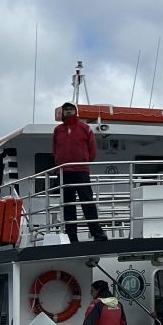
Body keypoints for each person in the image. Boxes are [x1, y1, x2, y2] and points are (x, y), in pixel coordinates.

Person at [52, 101, 109, 246]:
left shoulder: (85, 128)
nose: (69, 112)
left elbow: (92, 150)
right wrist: (59, 164)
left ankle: (98, 234)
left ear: (75, 112)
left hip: (81, 171)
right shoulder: (58, 130)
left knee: (87, 203)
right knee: (68, 206)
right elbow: (55, 149)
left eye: (71, 109)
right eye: (66, 110)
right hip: (64, 171)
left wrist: (84, 161)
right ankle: (72, 238)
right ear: (63, 113)